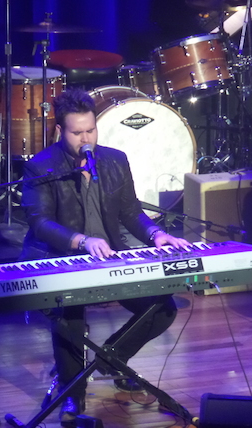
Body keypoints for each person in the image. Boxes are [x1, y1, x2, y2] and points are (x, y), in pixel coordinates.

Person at [19, 88, 191, 426]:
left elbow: (131, 212)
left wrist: (157, 234)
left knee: (161, 309)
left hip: (109, 257)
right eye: (77, 132)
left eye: (91, 129)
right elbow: (40, 223)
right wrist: (81, 240)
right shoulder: (41, 167)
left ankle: (110, 362)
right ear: (59, 131)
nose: (87, 138)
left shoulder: (114, 160)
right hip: (61, 259)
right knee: (69, 321)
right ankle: (73, 395)